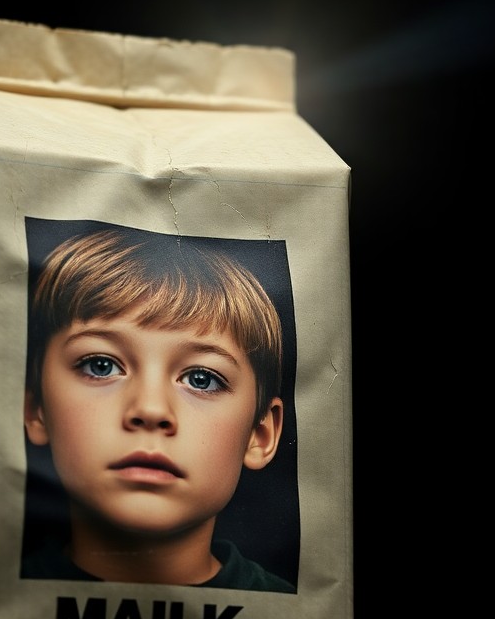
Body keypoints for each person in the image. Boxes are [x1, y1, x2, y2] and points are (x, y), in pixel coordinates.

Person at [21, 229, 295, 593]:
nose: (150, 410)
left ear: (260, 435)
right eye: (101, 365)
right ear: (36, 408)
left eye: (201, 379)